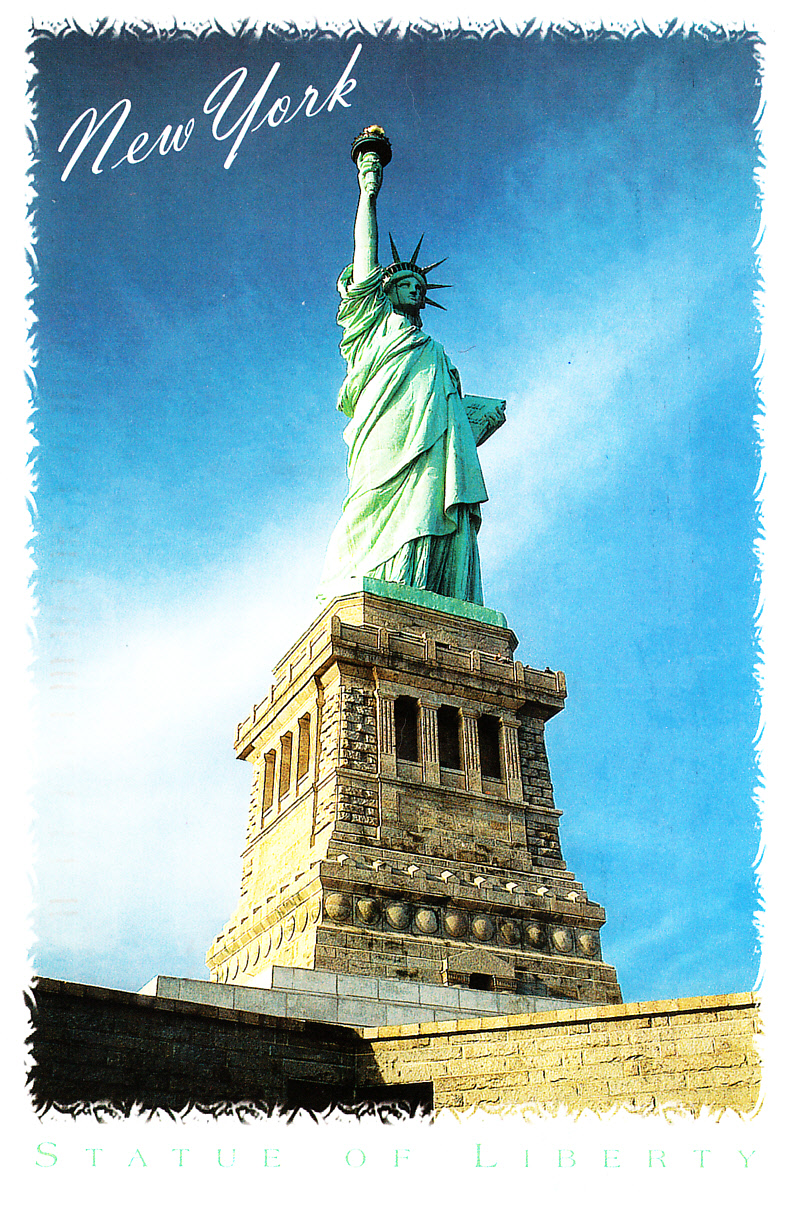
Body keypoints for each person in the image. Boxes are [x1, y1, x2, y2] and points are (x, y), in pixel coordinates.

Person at [317, 139, 506, 606]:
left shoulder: (435, 352)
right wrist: (368, 190)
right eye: (404, 282)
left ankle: (421, 587)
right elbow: (365, 254)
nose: (415, 288)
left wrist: (477, 417)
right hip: (384, 432)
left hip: (431, 446)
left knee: (428, 499)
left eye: (420, 285)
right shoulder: (370, 329)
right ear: (384, 290)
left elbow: (452, 417)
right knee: (368, 503)